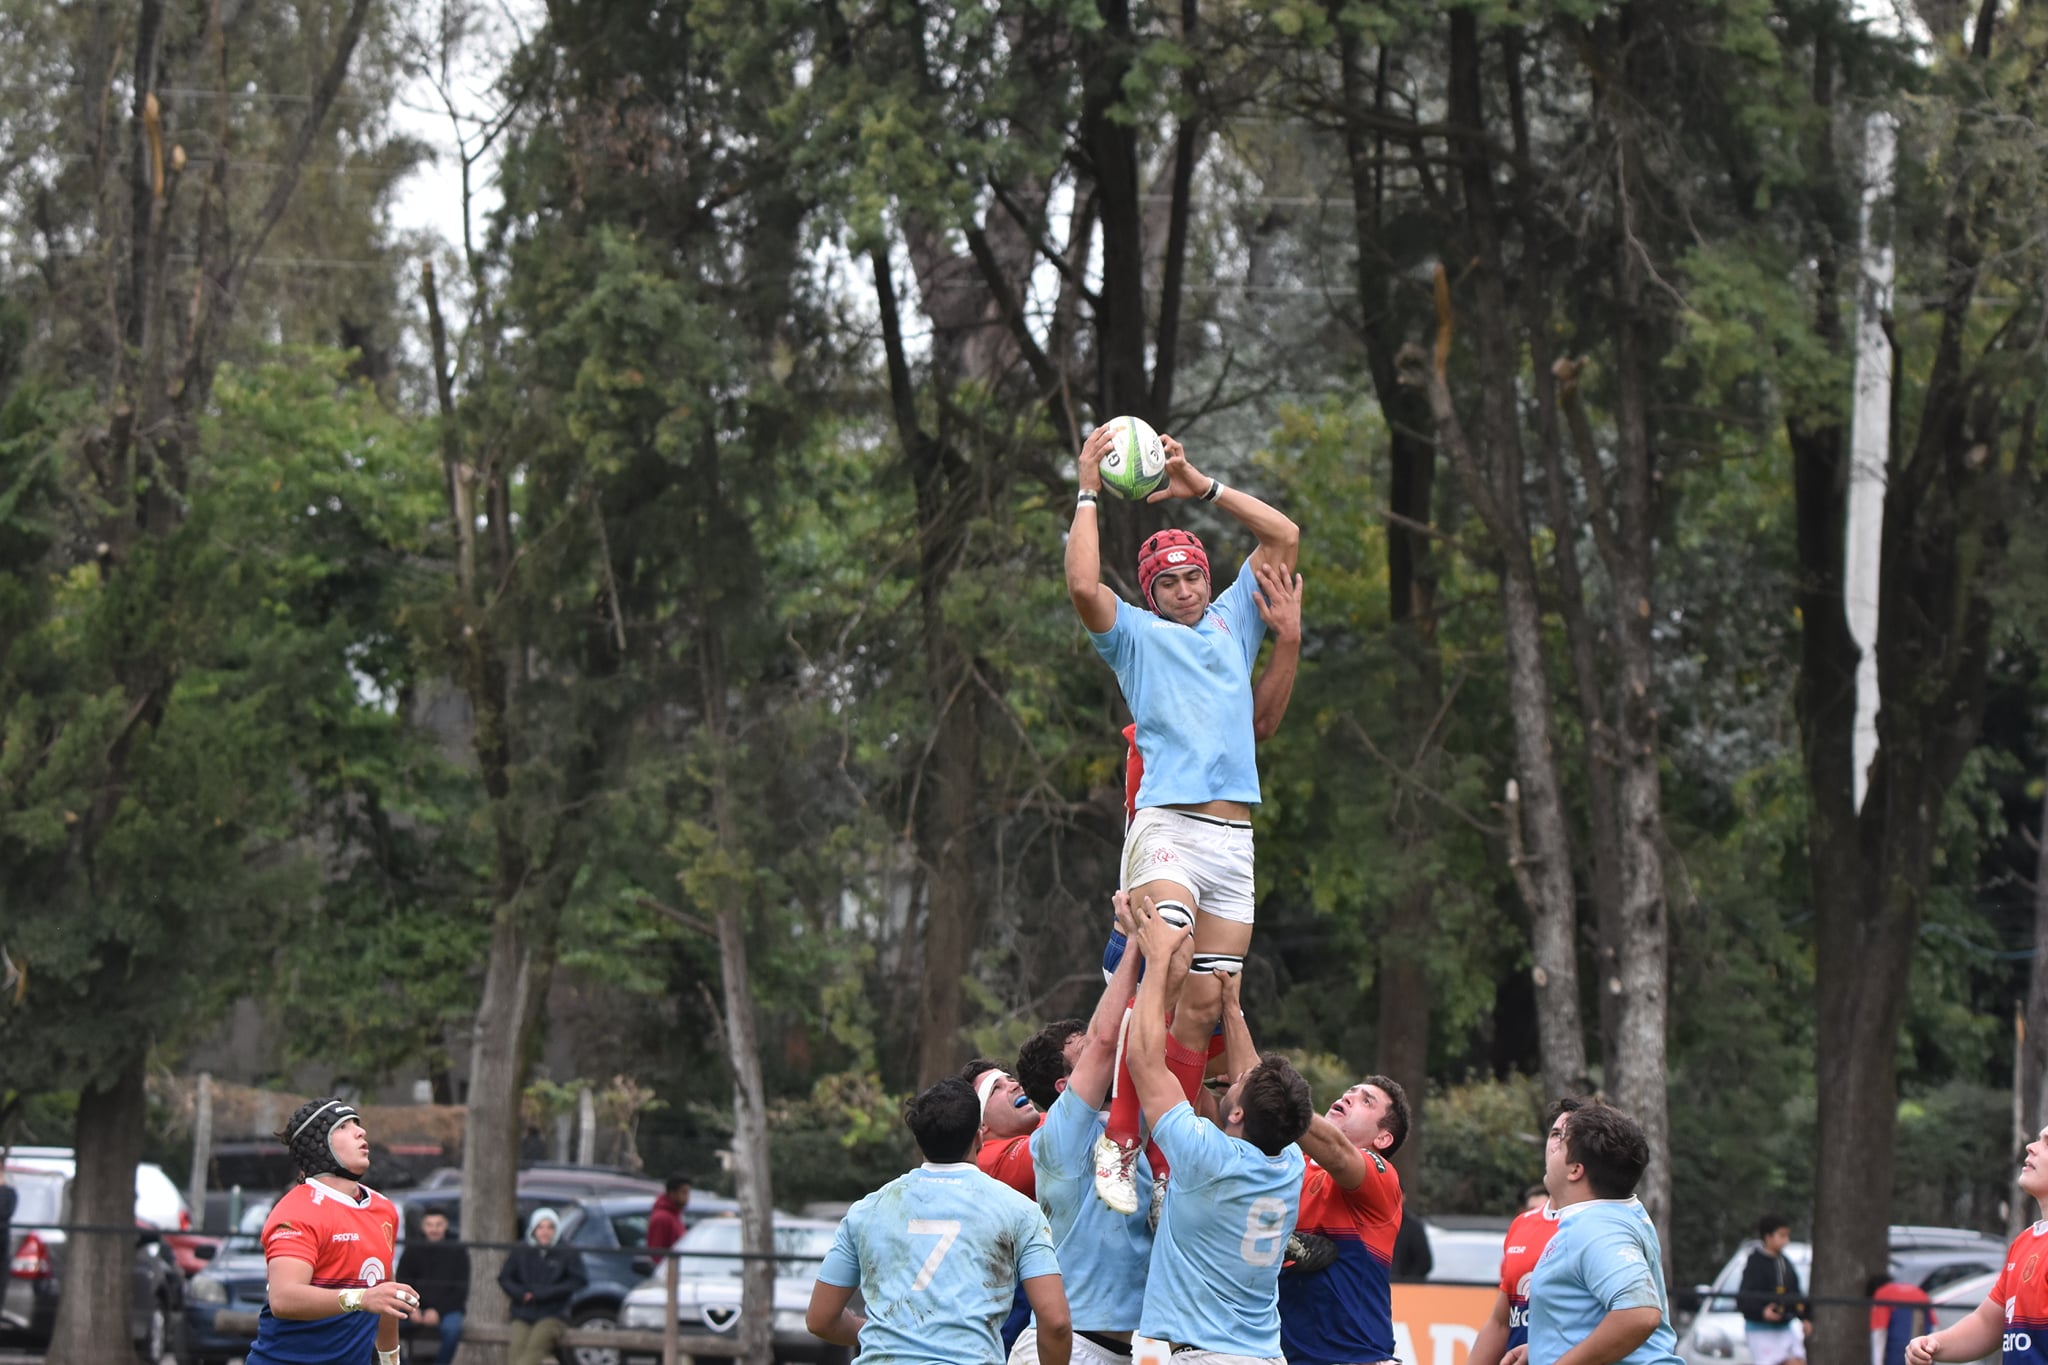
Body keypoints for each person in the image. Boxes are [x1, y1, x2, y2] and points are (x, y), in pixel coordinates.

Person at [1067, 421, 1300, 1215]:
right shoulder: (1135, 639)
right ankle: (1123, 1137)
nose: (1184, 590)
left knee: (1204, 1007)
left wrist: (1201, 485)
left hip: (1235, 840)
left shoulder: (1236, 624)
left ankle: (1170, 1157)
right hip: (1167, 826)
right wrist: (1089, 489)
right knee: (1161, 954)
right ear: (1151, 593)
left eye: (1192, 575)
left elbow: (1285, 534)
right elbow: (1081, 587)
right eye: (1166, 582)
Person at [1124, 892, 1313, 1364]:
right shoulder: (1290, 1160)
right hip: (1264, 1354)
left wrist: (1159, 957)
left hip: (1209, 1357)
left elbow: (1144, 1060)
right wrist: (1231, 1007)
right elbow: (1255, 1080)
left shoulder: (1208, 1155)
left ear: (1237, 1114)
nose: (1234, 1074)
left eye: (1238, 1084)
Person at [805, 1077, 1072, 1365]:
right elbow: (1055, 1323)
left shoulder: (867, 1209)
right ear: (979, 1137)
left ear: (920, 1141)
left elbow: (820, 1319)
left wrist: (884, 1334)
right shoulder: (1020, 1210)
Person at [1008, 900, 1156, 1365]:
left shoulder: (1125, 1123)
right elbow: (1106, 1039)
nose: (1097, 1052)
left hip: (1111, 1349)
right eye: (1083, 1052)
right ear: (1062, 1087)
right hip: (1064, 1348)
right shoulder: (1060, 1138)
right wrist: (1133, 939)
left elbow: (1143, 1045)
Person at [245, 1098, 417, 1365]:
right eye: (343, 1127)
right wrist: (362, 1298)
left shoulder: (383, 1209)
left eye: (357, 1124)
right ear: (319, 1145)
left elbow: (385, 1297)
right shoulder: (296, 1211)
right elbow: (283, 1298)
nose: (360, 1132)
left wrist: (390, 1361)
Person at [1511, 1102, 1681, 1365]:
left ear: (1575, 1170)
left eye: (1562, 1142)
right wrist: (1546, 1348)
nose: (1552, 1147)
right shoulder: (1617, 1213)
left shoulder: (1596, 1227)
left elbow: (1640, 1313)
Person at [1279, 1073, 1411, 1365]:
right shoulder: (1291, 1168)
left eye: (1367, 1101)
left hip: (1357, 1360)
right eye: (1350, 1091)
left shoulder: (1382, 1176)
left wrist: (1275, 1098)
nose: (1348, 1097)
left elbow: (1337, 1153)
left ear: (1383, 1138)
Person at [1904, 1123, 2048, 1365]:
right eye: (2038, 1139)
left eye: (2047, 1143)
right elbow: (1988, 1322)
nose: (2031, 1147)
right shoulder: (2025, 1241)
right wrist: (1936, 1343)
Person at [1468, 1126, 1576, 1365]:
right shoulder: (1523, 1224)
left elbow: (1629, 1320)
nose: (1557, 1142)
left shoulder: (1600, 1225)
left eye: (1568, 1136)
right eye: (1555, 1133)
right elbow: (1501, 1321)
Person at [497, 1207, 588, 1365]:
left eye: (550, 1227)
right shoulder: (521, 1250)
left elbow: (578, 1280)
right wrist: (521, 1293)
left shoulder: (567, 1252)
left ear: (556, 1229)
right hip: (523, 1312)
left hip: (553, 1314)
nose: (545, 1232)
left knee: (532, 1354)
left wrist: (545, 1293)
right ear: (533, 1229)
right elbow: (505, 1278)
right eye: (540, 1227)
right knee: (516, 1352)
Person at [963, 1058, 1047, 1198]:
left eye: (1010, 1079)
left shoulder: (1038, 1123)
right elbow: (1063, 1138)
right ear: (981, 1125)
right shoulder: (987, 1160)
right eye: (996, 1088)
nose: (1016, 1085)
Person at [395, 1209, 469, 1365]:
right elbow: (402, 1282)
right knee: (387, 1326)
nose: (434, 1229)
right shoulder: (412, 1249)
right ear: (423, 1226)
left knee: (452, 1329)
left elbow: (461, 1290)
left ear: (446, 1225)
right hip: (413, 1307)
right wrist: (412, 1307)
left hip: (448, 1309)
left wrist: (438, 1312)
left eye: (438, 1225)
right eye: (429, 1225)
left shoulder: (458, 1251)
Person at [1738, 1213, 1810, 1365]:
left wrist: (1805, 1317)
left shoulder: (1786, 1264)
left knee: (1797, 1361)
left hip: (1784, 1327)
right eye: (1782, 1235)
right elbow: (1743, 1299)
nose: (1786, 1240)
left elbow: (1796, 1294)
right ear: (1768, 1236)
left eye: (1787, 1236)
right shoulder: (1754, 1264)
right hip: (1760, 1330)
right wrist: (1762, 1312)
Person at [1868, 1273, 1934, 1365]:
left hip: (1898, 1349)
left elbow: (1879, 1332)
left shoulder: (1882, 1293)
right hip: (1923, 1348)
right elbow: (1934, 1325)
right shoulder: (1918, 1291)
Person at [647, 1173, 692, 1252]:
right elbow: (656, 1253)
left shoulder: (674, 1215)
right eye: (684, 1192)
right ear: (672, 1193)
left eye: (688, 1192)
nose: (687, 1197)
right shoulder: (662, 1218)